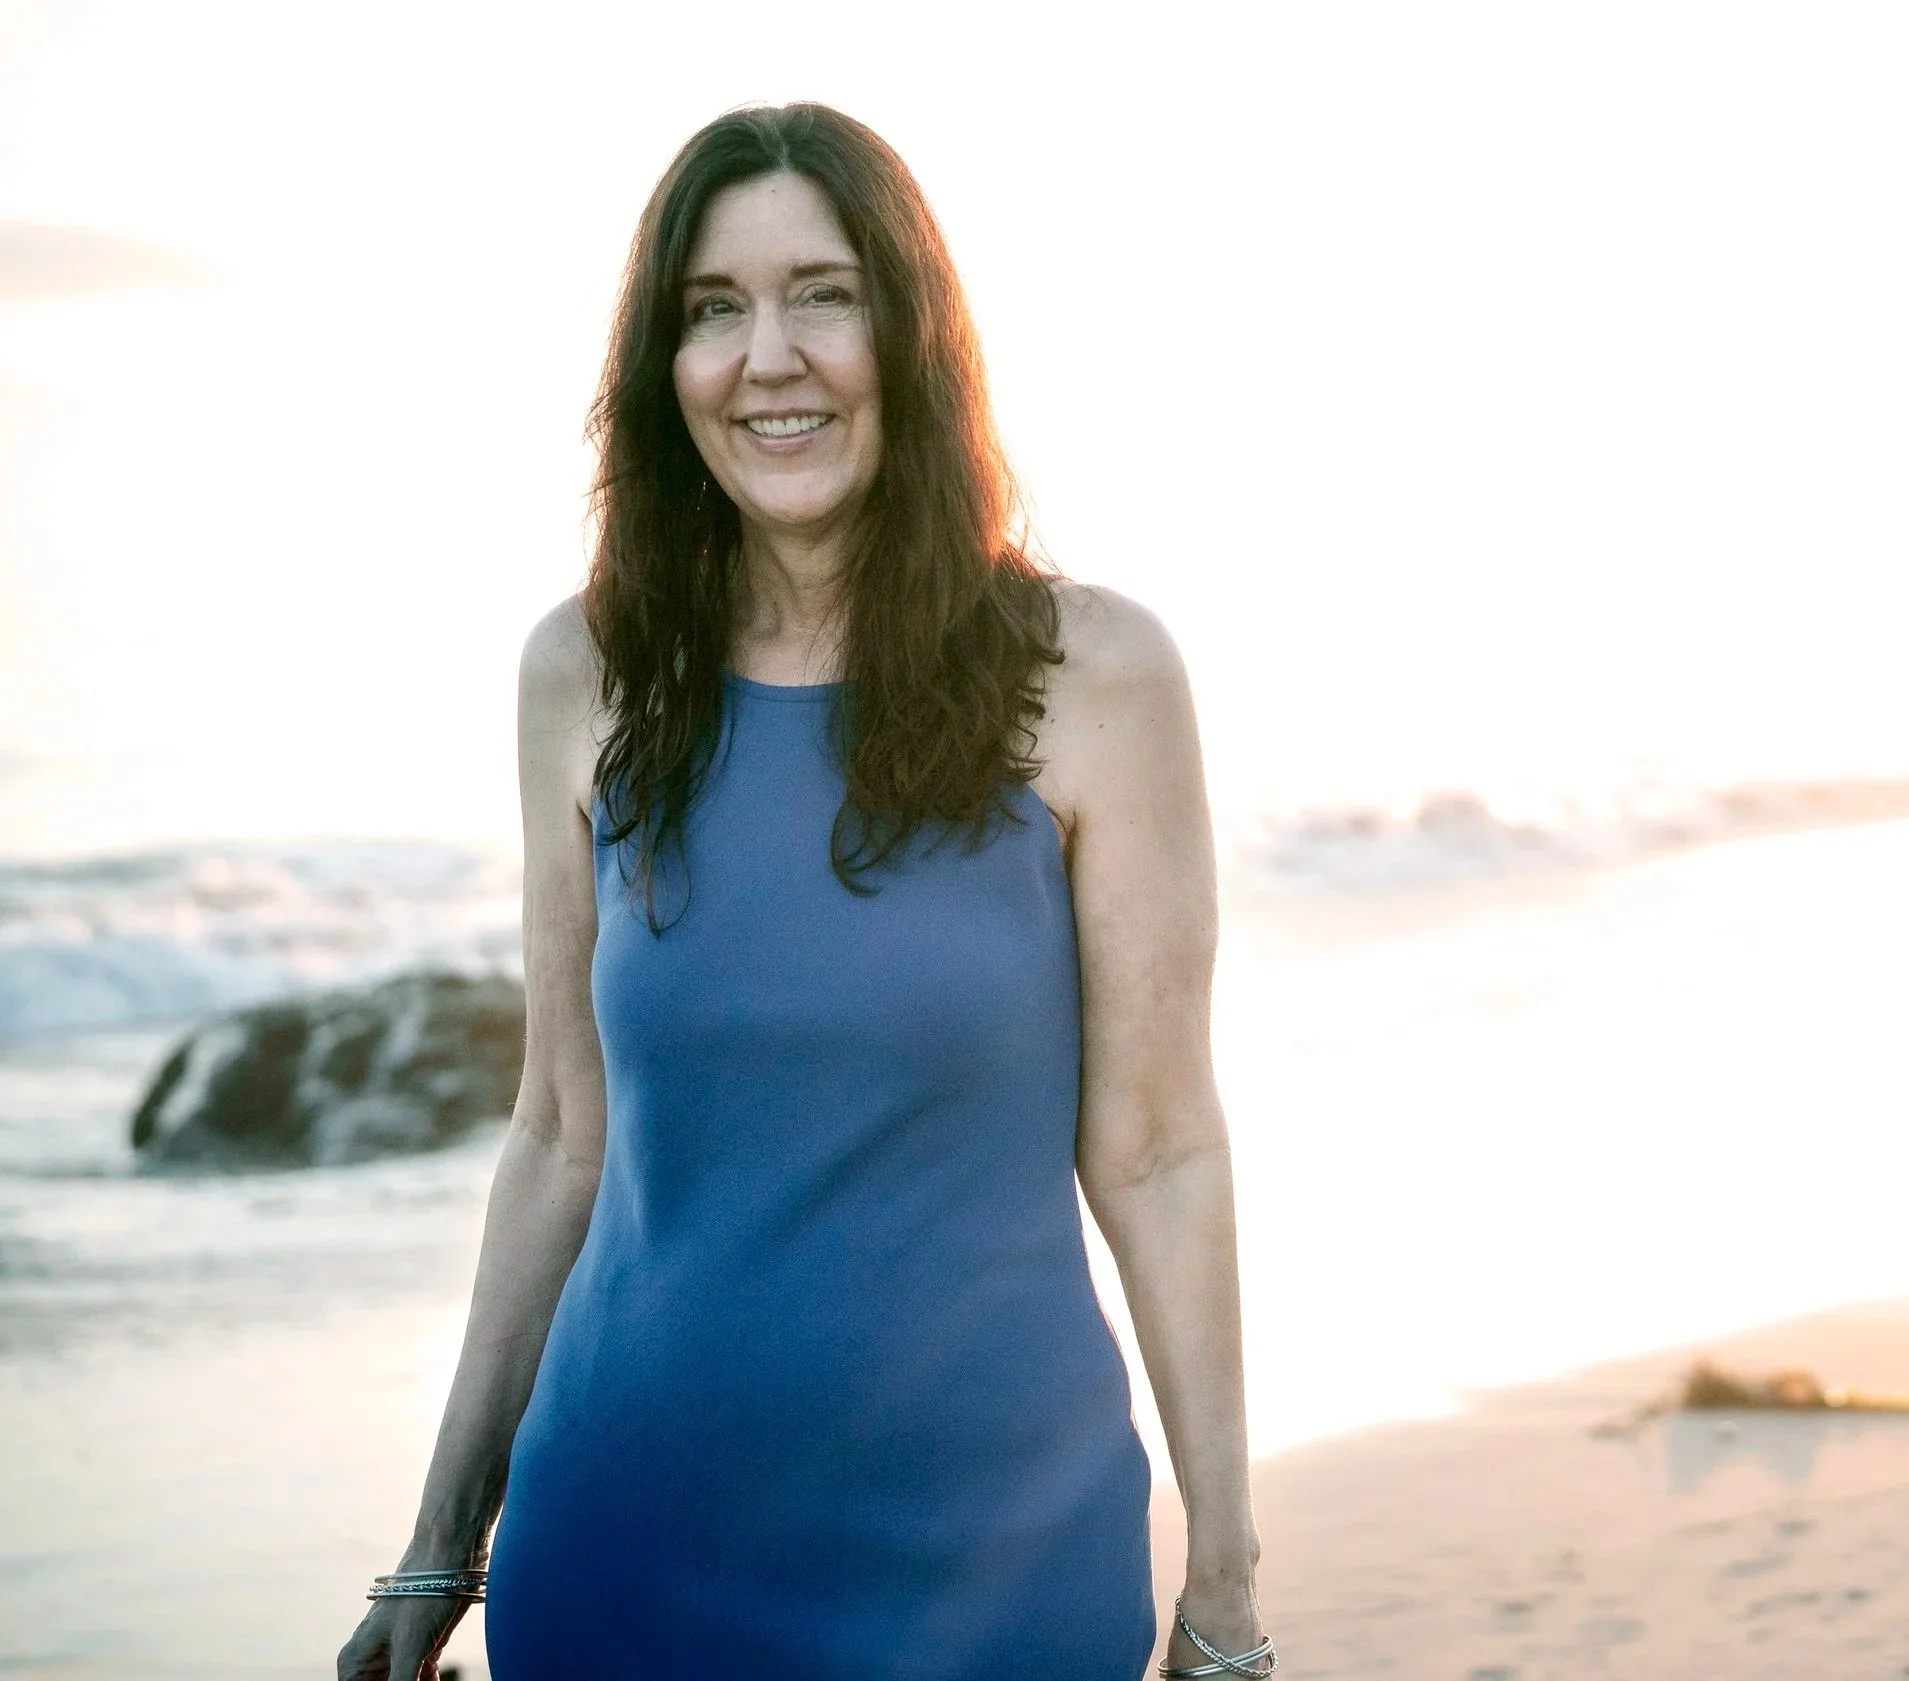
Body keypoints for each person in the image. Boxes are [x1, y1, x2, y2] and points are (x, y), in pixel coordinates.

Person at [338, 102, 1267, 1681]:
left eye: (822, 293)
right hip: (624, 1554)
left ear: (912, 332)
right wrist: (438, 1551)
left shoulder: (1094, 675)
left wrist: (1227, 1593)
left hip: (997, 1569)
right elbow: (562, 1135)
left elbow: (1162, 1149)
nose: (769, 356)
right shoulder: (584, 674)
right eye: (713, 311)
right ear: (664, 370)